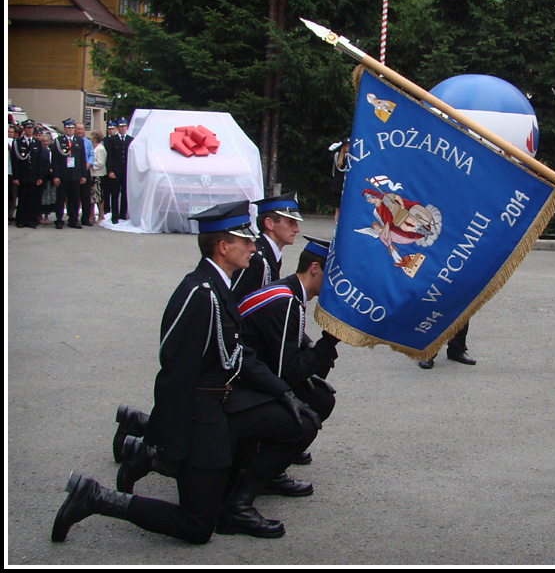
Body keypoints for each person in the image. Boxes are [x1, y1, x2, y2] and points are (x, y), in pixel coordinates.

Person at [52, 200, 323, 544]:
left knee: (299, 419)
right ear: (224, 248)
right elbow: (175, 374)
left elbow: (239, 357)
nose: (254, 248)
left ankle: (216, 485)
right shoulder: (199, 294)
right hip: (201, 419)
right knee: (197, 526)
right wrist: (171, 441)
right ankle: (96, 497)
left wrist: (283, 392)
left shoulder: (220, 286)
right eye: (246, 242)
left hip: (222, 410)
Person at [237, 236, 340, 493]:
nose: (336, 284)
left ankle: (272, 465)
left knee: (321, 397)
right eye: (333, 275)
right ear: (314, 268)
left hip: (256, 374)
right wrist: (327, 344)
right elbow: (288, 372)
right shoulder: (286, 301)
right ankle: (246, 490)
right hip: (241, 384)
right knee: (306, 421)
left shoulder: (289, 293)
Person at [230, 192, 303, 302]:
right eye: (290, 222)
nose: (297, 229)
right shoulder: (255, 259)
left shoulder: (270, 254)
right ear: (269, 224)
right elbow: (236, 303)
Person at [49, 118, 88, 229]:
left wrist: (83, 175)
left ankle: (73, 219)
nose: (70, 130)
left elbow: (82, 159)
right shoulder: (59, 141)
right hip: (63, 174)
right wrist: (55, 175)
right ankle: (59, 219)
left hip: (75, 175)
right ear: (64, 129)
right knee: (61, 198)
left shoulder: (79, 141)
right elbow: (55, 160)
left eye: (72, 128)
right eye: (68, 128)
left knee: (74, 199)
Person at [10, 120, 47, 228]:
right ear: (24, 129)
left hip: (34, 176)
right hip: (23, 176)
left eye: (31, 128)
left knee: (33, 199)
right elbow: (15, 161)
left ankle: (31, 220)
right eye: (28, 128)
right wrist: (16, 177)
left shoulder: (36, 143)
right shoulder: (18, 142)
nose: (30, 130)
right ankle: (21, 219)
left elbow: (40, 161)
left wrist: (40, 176)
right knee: (22, 198)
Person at [105, 116, 133, 223]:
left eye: (124, 126)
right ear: (117, 128)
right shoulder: (112, 140)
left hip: (126, 171)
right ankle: (115, 216)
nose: (123, 129)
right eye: (120, 127)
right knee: (115, 194)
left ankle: (123, 214)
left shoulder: (130, 140)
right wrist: (110, 170)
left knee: (125, 194)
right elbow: (110, 156)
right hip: (116, 171)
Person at [74, 122, 95, 226]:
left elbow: (91, 154)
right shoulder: (72, 141)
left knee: (86, 196)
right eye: (78, 129)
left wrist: (89, 163)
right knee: (75, 195)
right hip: (75, 171)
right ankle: (73, 217)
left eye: (81, 129)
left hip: (86, 170)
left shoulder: (87, 142)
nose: (80, 131)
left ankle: (86, 218)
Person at [329, 137, 350, 222]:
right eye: (346, 146)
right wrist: (329, 150)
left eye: (349, 146)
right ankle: (337, 229)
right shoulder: (338, 156)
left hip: (348, 187)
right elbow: (323, 160)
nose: (347, 148)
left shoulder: (353, 157)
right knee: (338, 209)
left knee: (347, 209)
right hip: (338, 186)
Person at [90, 132, 107, 224]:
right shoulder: (94, 148)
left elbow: (100, 163)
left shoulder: (100, 149)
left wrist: (90, 165)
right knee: (92, 197)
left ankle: (101, 215)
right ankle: (92, 214)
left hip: (98, 175)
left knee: (98, 197)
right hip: (93, 175)